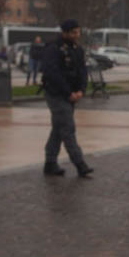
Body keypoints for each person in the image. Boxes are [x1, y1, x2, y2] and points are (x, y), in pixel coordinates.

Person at [40, 20, 94, 178]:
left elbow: (82, 71)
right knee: (68, 128)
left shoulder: (77, 49)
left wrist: (81, 90)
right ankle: (80, 164)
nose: (77, 35)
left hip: (72, 94)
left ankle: (50, 163)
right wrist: (68, 92)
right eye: (73, 32)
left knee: (58, 128)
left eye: (78, 32)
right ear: (64, 33)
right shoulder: (53, 48)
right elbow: (52, 73)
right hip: (57, 94)